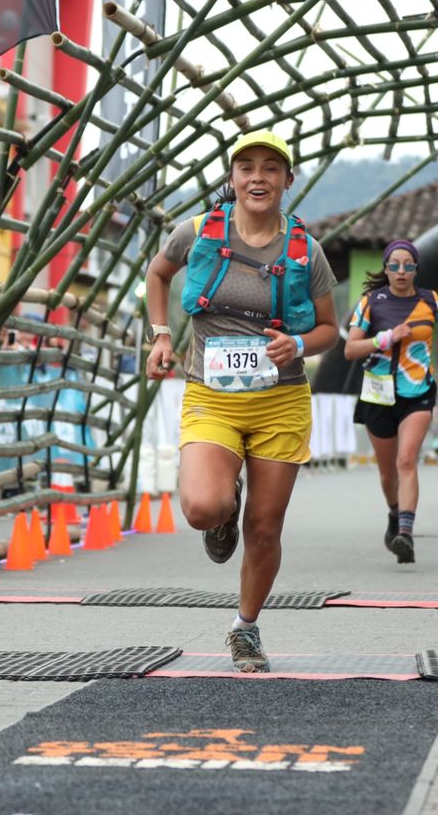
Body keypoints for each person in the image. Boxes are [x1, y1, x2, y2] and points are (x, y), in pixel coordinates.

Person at [142, 129, 338, 673]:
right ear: (232, 177)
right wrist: (161, 335)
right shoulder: (197, 231)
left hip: (281, 401)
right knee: (203, 507)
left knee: (266, 528)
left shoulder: (306, 250)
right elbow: (158, 273)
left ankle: (245, 628)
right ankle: (223, 508)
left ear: (287, 180)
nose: (258, 178)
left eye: (270, 169)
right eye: (246, 167)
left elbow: (330, 329)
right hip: (213, 395)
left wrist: (298, 344)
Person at [343, 239, 438, 563]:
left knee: (406, 460)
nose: (401, 271)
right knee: (387, 474)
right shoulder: (371, 302)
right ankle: (394, 514)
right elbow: (350, 349)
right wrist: (387, 338)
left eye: (408, 265)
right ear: (386, 269)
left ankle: (405, 533)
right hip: (378, 394)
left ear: (416, 269)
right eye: (394, 265)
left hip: (417, 391)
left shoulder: (431, 300)